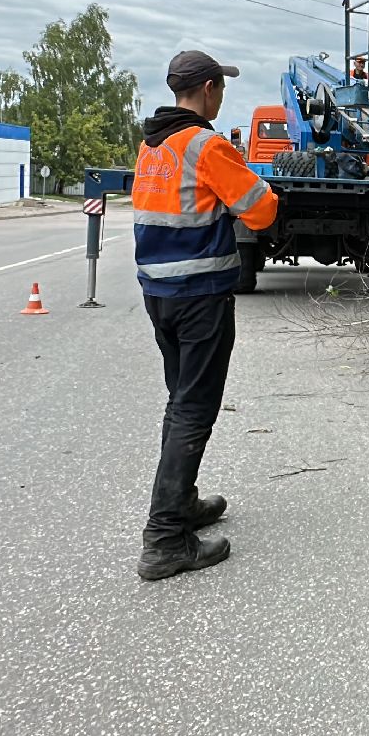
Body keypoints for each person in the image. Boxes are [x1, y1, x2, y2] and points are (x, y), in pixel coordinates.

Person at [131, 50, 280, 581]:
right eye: (222, 89)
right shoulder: (207, 144)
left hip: (161, 295)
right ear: (210, 89)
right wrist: (258, 185)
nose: (223, 97)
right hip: (199, 296)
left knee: (181, 400)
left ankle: (184, 500)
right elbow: (261, 210)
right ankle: (166, 538)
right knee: (194, 408)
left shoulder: (154, 145)